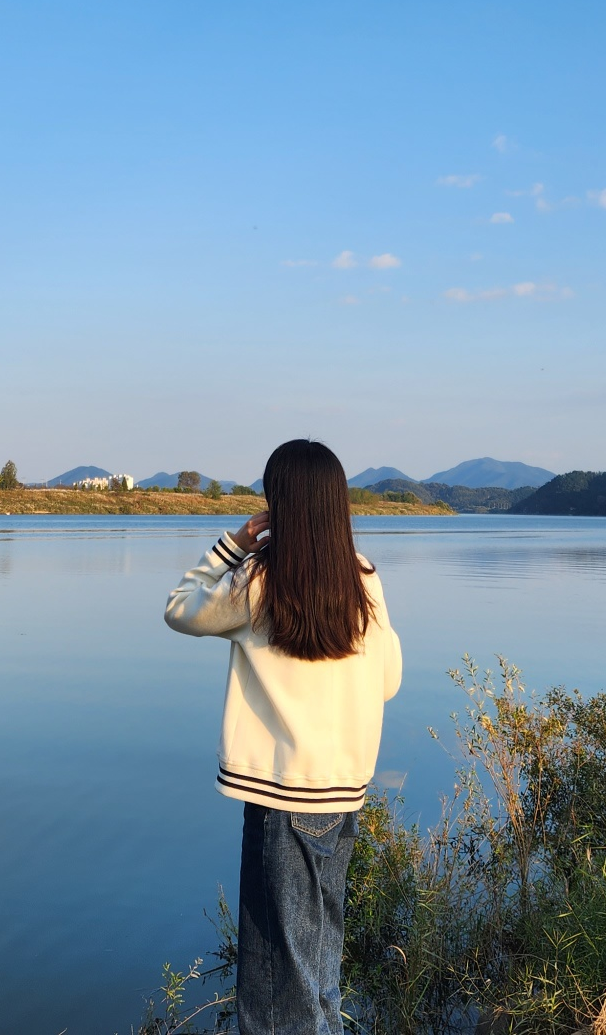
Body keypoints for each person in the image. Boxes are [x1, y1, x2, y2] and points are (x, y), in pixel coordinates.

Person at [164, 438, 402, 1035]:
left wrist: (234, 544)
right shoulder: (364, 580)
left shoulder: (258, 581)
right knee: (317, 958)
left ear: (279, 505)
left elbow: (179, 609)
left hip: (279, 795)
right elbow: (389, 681)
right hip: (342, 791)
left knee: (274, 977)